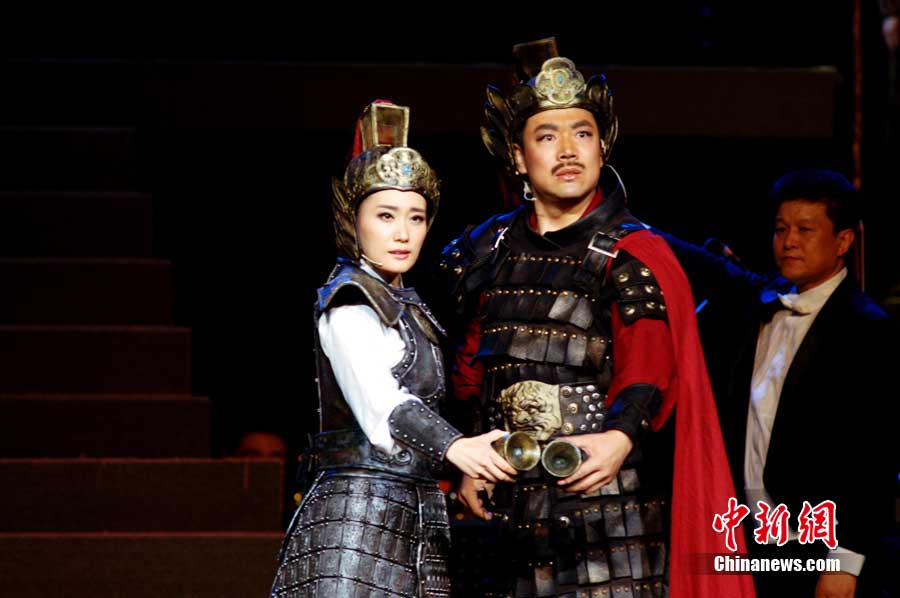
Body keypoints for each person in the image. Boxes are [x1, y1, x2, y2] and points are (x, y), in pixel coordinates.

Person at [440, 45, 754, 598]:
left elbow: (650, 364)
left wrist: (619, 435)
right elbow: (471, 372)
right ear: (517, 157)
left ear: (602, 146)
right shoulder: (486, 250)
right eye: (547, 136)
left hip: (609, 510)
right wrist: (471, 459)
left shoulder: (630, 253)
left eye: (582, 134)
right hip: (510, 513)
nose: (568, 151)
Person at [269, 101, 516, 598]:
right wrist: (458, 448)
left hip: (415, 517)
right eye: (385, 216)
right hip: (355, 521)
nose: (403, 233)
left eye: (416, 218)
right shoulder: (349, 302)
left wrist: (460, 464)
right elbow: (383, 404)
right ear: (353, 220)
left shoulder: (407, 305)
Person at [658, 169, 899, 597]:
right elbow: (709, 268)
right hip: (747, 540)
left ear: (843, 241)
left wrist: (844, 561)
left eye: (805, 230)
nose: (789, 242)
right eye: (781, 229)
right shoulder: (761, 302)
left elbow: (872, 458)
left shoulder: (866, 329)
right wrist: (624, 225)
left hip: (819, 547)